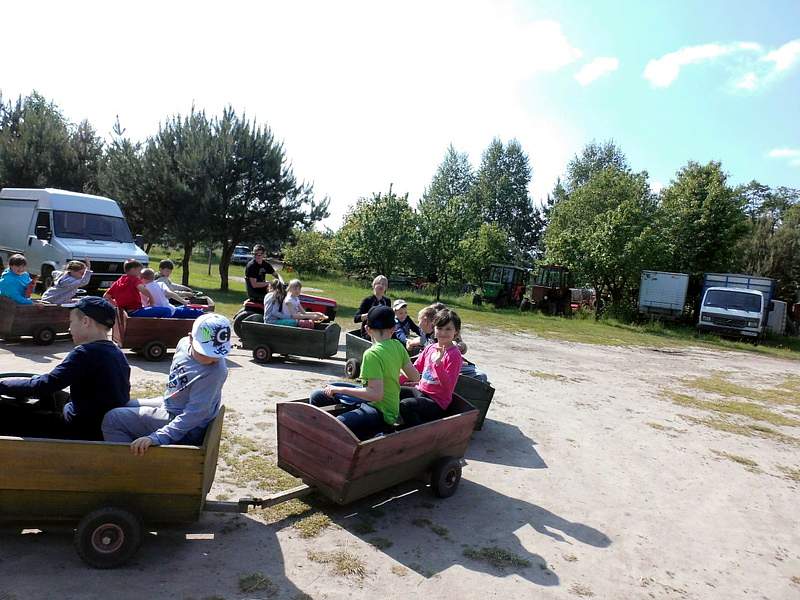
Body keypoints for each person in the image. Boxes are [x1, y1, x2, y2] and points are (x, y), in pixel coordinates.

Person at [0, 297, 130, 440]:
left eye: (71, 322)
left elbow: (45, 384)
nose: (69, 328)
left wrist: (2, 385)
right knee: (54, 395)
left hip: (80, 428)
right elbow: (52, 382)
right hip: (98, 421)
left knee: (5, 411)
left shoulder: (85, 353)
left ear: (85, 321)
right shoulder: (115, 351)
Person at [102, 313, 231, 455]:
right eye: (204, 352)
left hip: (188, 427)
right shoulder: (183, 344)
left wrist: (158, 437)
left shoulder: (215, 372)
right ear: (190, 338)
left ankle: (129, 465)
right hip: (170, 404)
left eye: (218, 354)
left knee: (112, 419)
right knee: (122, 404)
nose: (212, 359)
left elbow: (194, 415)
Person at [310, 306, 420, 440]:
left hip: (380, 412)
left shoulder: (372, 354)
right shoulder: (397, 346)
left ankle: (317, 438)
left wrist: (340, 389)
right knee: (319, 395)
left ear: (368, 329)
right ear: (394, 328)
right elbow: (415, 376)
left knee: (338, 424)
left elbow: (376, 395)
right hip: (387, 407)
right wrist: (393, 367)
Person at [399, 308, 463, 426]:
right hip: (421, 391)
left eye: (448, 329)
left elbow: (448, 387)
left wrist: (438, 364)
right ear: (434, 328)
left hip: (437, 402)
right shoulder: (430, 348)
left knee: (405, 405)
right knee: (392, 392)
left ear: (456, 332)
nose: (443, 332)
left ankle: (418, 431)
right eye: (439, 328)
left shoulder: (454, 355)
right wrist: (395, 380)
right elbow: (415, 368)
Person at [136, 268, 204, 319]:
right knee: (196, 312)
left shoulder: (141, 290)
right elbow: (171, 293)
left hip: (154, 313)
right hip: (170, 311)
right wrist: (184, 301)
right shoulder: (160, 284)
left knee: (183, 308)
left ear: (142, 278)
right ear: (153, 277)